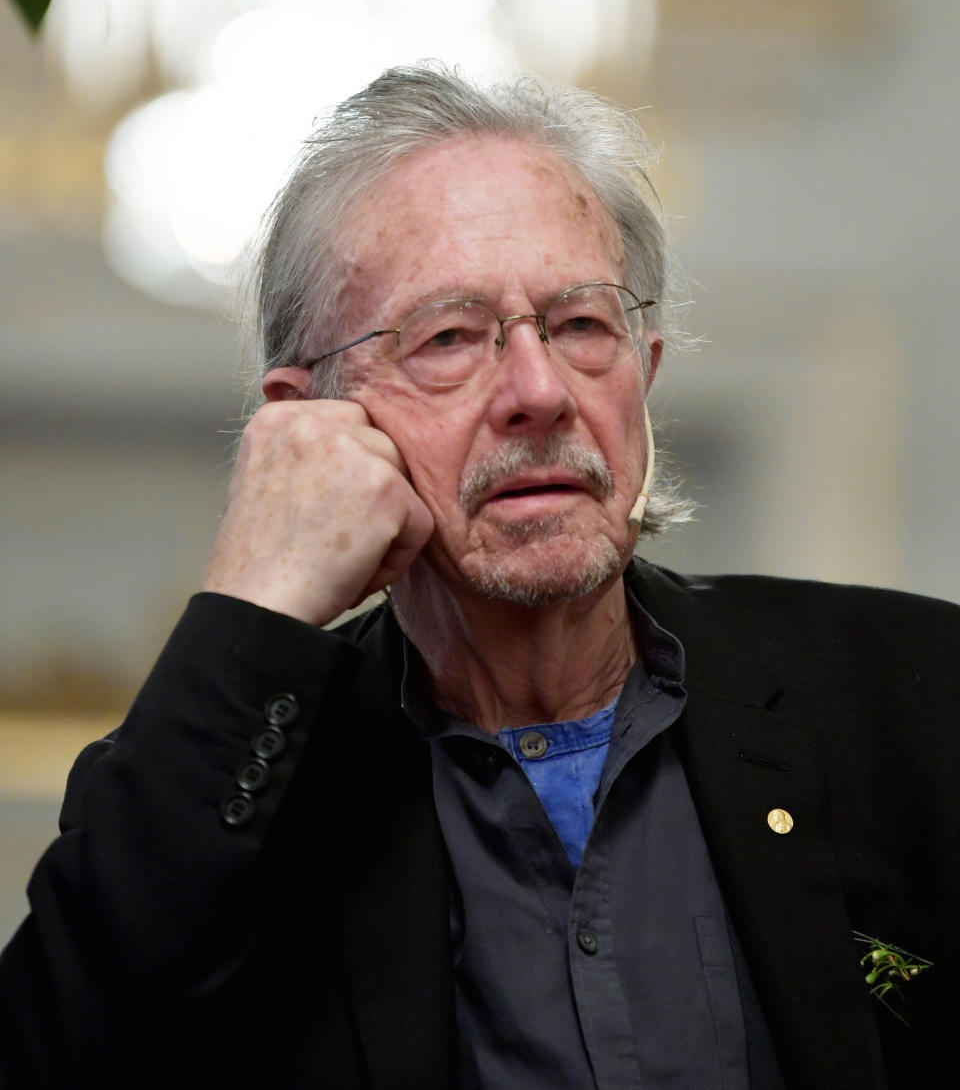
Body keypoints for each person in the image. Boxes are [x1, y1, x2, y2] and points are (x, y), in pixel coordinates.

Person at [1, 64, 957, 1090]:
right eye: (450, 338)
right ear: (308, 421)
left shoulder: (914, 689)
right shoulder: (229, 794)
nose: (540, 391)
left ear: (646, 376)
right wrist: (252, 603)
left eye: (583, 325)